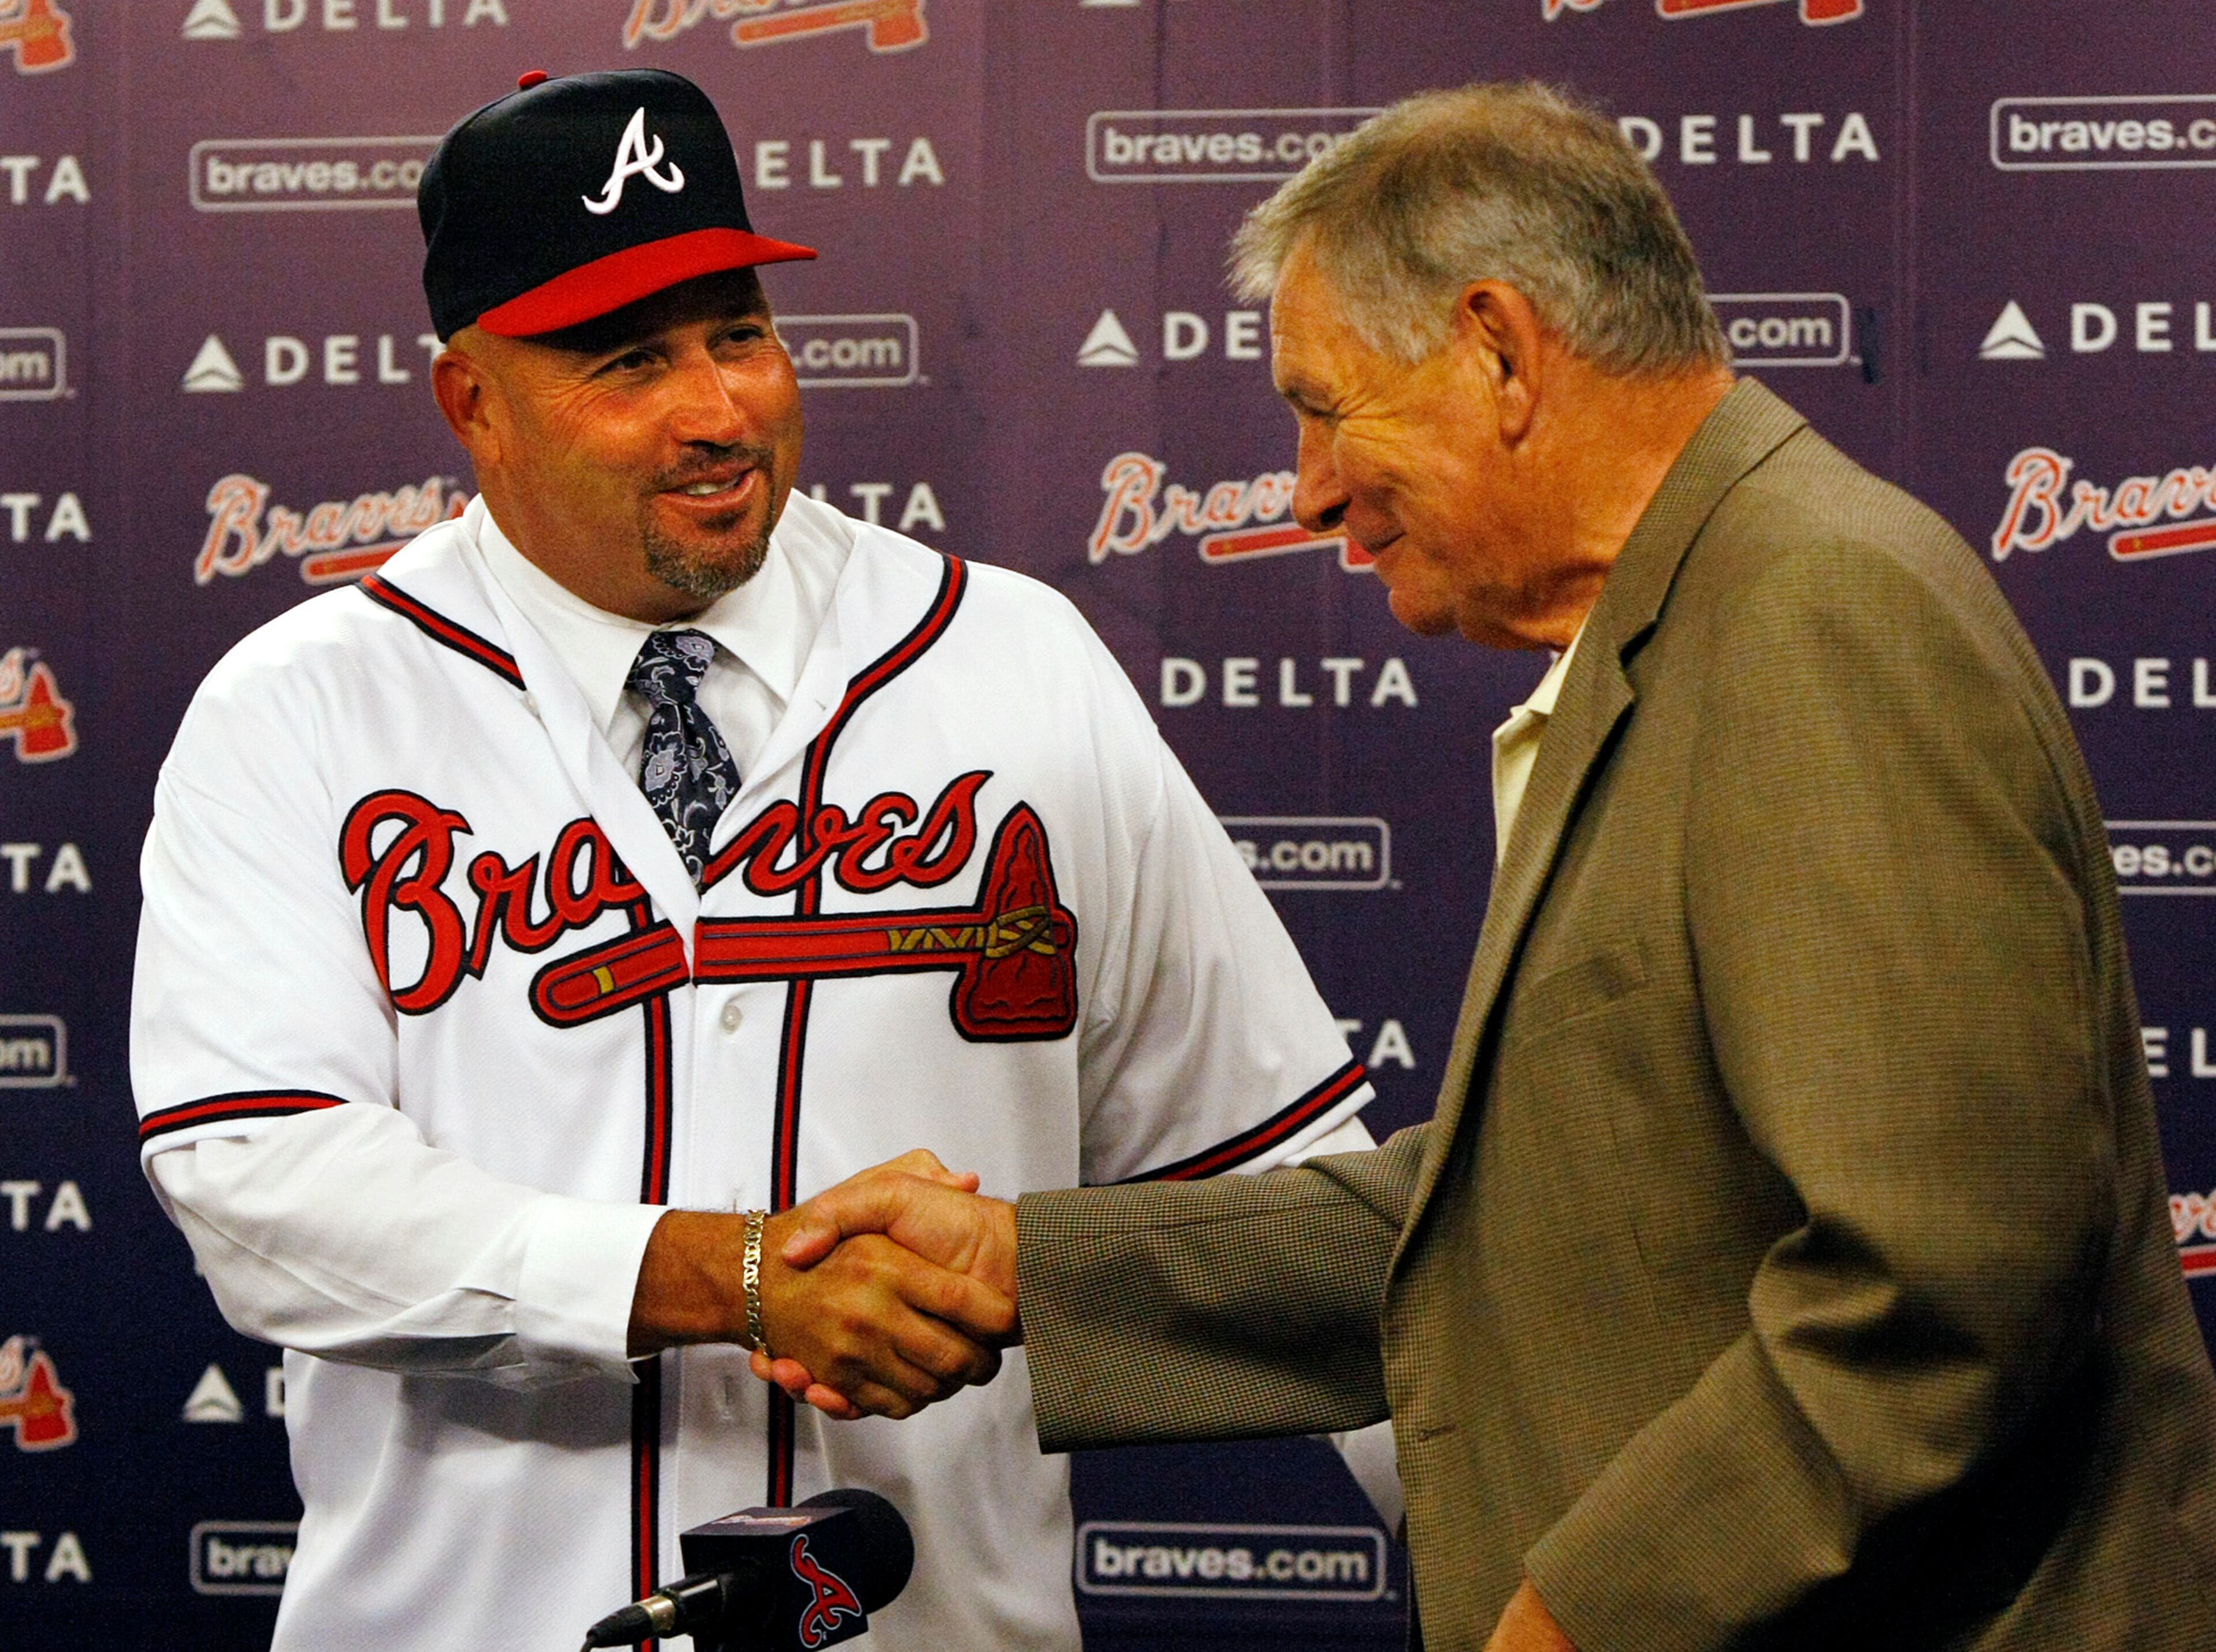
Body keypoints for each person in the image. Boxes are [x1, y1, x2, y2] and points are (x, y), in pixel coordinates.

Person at [758, 83, 2216, 1652]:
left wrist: (1583, 1616)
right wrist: (1027, 1273)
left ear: (1500, 351)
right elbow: (1524, 1213)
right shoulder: (1700, 623)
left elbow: (1949, 1278)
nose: (1308, 487)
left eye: (1325, 406)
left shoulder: (1816, 619)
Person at [129, 68, 1389, 1652]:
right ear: (473, 403)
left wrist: (1534, 1558)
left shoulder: (1014, 666)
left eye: (738, 333)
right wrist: (716, 1276)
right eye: (627, 361)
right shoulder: (305, 710)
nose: (718, 410)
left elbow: (1281, 1183)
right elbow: (260, 1187)